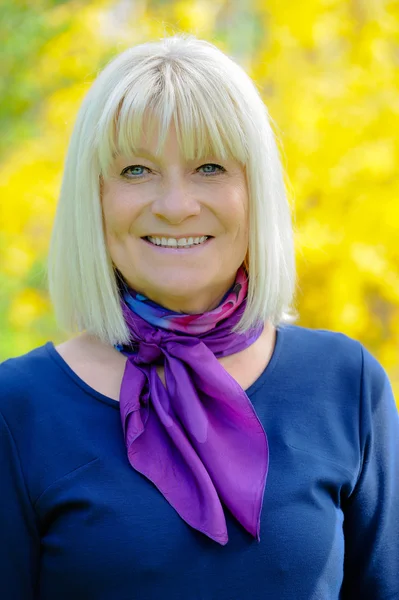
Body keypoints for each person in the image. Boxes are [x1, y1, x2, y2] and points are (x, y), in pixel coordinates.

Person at [0, 33, 398, 600]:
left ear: (254, 191)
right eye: (136, 171)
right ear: (96, 197)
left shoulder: (347, 386)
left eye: (209, 167)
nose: (176, 204)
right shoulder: (17, 410)